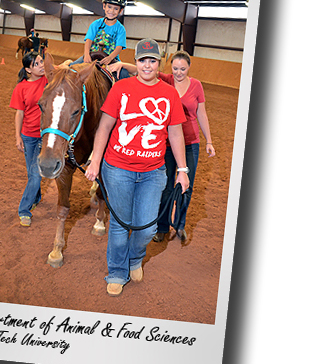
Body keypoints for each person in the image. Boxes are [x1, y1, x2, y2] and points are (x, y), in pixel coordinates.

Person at [85, 38, 190, 297]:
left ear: (158, 63)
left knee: (147, 228)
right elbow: (105, 126)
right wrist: (96, 159)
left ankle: (135, 257)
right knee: (121, 225)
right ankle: (117, 271)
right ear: (136, 62)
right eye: (142, 60)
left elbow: (175, 134)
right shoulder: (121, 88)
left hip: (153, 172)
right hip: (118, 168)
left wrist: (183, 170)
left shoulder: (169, 93)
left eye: (152, 60)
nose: (147, 65)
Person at [154, 51, 215, 242]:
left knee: (185, 185)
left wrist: (209, 141)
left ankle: (180, 224)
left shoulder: (196, 85)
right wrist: (121, 64)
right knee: (165, 186)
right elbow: (145, 69)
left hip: (190, 144)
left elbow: (202, 115)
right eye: (175, 68)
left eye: (183, 69)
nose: (179, 72)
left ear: (189, 67)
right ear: (170, 67)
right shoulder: (165, 80)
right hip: (168, 143)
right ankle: (162, 227)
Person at [9, 50, 48, 227]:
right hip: (28, 135)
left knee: (35, 174)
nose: (42, 66)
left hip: (44, 136)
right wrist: (18, 136)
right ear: (28, 69)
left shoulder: (49, 79)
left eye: (42, 62)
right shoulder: (21, 88)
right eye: (37, 64)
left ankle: (24, 210)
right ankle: (36, 196)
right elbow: (19, 113)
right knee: (31, 173)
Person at [66, 0, 131, 79]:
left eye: (116, 9)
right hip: (93, 54)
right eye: (109, 7)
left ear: (121, 10)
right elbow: (89, 40)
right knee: (70, 69)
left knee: (124, 76)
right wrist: (87, 54)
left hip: (110, 58)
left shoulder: (120, 29)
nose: (111, 11)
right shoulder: (96, 24)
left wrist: (110, 58)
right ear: (104, 6)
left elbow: (119, 47)